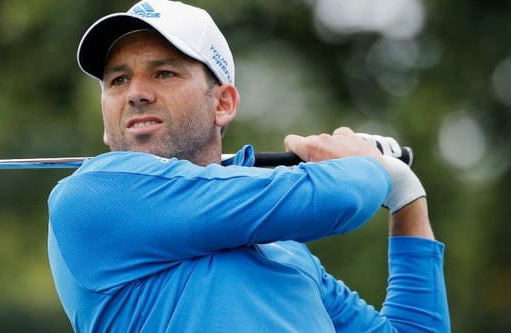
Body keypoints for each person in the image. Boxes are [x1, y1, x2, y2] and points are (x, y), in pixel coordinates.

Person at [47, 0, 450, 331]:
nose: (135, 93)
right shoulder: (90, 197)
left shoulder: (288, 252)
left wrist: (407, 196)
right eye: (117, 80)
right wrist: (370, 165)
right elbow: (339, 196)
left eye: (164, 72)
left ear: (222, 103)